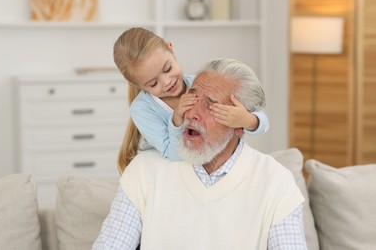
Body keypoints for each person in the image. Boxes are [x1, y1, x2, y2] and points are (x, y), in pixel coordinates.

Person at [92, 58, 306, 250]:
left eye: (210, 105)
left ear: (240, 124)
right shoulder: (144, 171)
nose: (192, 113)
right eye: (190, 99)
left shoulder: (276, 182)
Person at [113, 27, 269, 172]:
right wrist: (176, 119)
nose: (167, 82)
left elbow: (264, 123)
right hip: (169, 169)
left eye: (168, 69)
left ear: (171, 50)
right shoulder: (142, 109)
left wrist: (247, 120)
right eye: (153, 83)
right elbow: (173, 154)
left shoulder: (200, 84)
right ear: (135, 84)